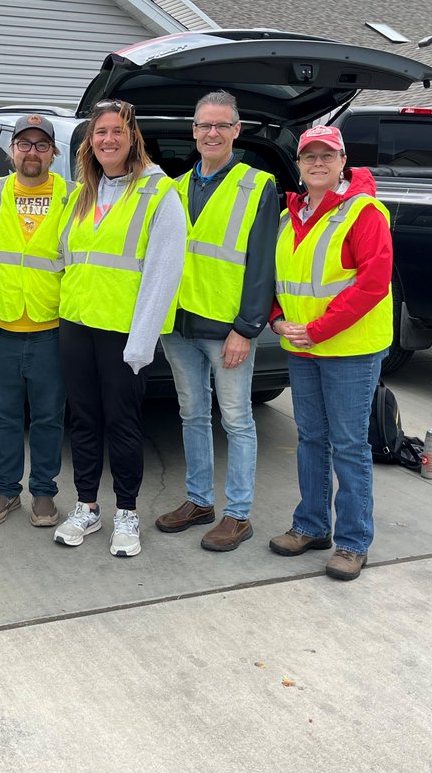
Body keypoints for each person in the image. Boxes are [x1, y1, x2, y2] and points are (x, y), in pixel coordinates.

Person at [53, 99, 185, 557]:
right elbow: (65, 258)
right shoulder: (82, 192)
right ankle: (87, 506)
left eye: (116, 131)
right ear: (90, 141)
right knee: (85, 421)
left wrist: (142, 342)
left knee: (123, 425)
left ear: (132, 137)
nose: (107, 139)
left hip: (123, 334)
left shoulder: (159, 192)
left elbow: (164, 272)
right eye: (99, 132)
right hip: (76, 326)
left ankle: (126, 512)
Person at [154, 91, 278, 551]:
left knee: (238, 422)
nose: (212, 133)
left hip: (227, 330)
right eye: (205, 125)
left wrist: (247, 329)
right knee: (192, 415)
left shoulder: (257, 185)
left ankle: (238, 515)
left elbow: (263, 264)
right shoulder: (175, 186)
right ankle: (199, 501)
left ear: (236, 131)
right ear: (193, 130)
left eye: (222, 125)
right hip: (181, 325)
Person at [269, 124, 393, 581]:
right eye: (309, 156)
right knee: (311, 439)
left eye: (328, 155)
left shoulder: (364, 212)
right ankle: (311, 526)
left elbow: (372, 284)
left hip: (349, 351)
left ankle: (353, 542)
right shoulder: (289, 216)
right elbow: (275, 279)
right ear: (299, 166)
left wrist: (318, 330)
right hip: (303, 346)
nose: (318, 163)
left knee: (348, 446)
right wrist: (276, 318)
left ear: (343, 161)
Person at [0, 115, 69, 528]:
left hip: (51, 327)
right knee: (6, 416)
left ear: (53, 152)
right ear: (12, 150)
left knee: (49, 416)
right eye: (24, 144)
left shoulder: (74, 197)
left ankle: (44, 493)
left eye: (41, 145)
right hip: (0, 326)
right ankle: (6, 490)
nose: (32, 152)